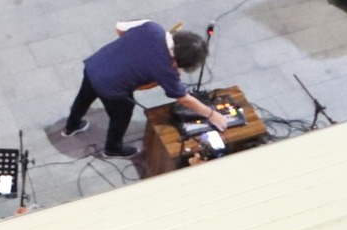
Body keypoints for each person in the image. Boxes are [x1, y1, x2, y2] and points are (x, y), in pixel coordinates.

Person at [61, 20, 232, 159]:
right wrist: (212, 114)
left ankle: (71, 126)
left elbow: (120, 28)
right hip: (113, 87)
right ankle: (112, 148)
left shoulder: (152, 27)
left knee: (84, 97)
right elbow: (183, 98)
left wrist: (131, 51)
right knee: (122, 114)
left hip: (95, 66)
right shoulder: (166, 69)